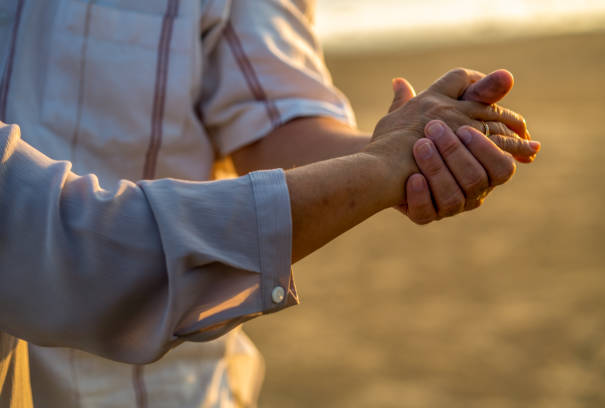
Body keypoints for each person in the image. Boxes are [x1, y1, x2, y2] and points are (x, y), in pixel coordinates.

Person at [0, 0, 540, 406]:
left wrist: (399, 154)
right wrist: (385, 163)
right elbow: (54, 232)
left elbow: (275, 117)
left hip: (164, 389)